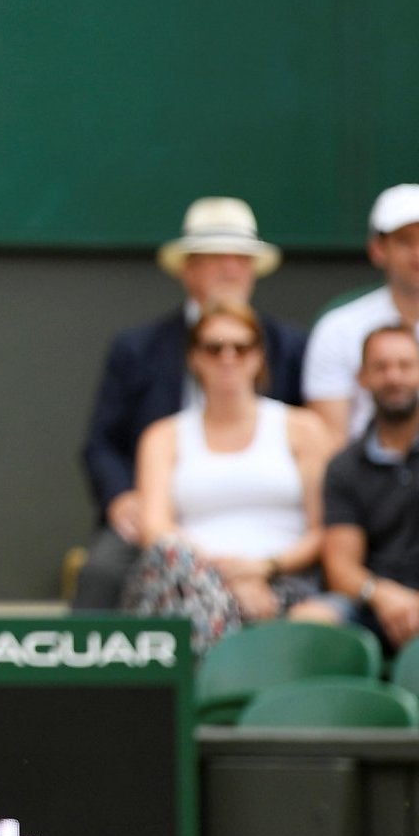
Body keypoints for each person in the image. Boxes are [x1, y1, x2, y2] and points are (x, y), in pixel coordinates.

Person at [73, 198, 306, 610]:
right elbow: (101, 443)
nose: (230, 269)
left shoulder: (290, 346)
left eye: (241, 258)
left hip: (263, 513)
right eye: (216, 257)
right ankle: (92, 675)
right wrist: (123, 497)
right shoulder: (137, 348)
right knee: (101, 573)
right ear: (187, 268)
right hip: (160, 511)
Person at [121, 302, 330, 652]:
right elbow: (154, 528)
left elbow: (324, 529)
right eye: (213, 347)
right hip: (185, 578)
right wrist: (222, 578)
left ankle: (205, 689)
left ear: (259, 355)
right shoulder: (163, 436)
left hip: (280, 578)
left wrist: (261, 568)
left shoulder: (303, 429)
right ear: (194, 357)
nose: (228, 357)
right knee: (170, 556)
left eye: (241, 347)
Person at [302, 325, 419, 651]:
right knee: (309, 618)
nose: (394, 377)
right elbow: (341, 567)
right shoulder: (344, 465)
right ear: (362, 378)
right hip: (376, 604)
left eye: (405, 365)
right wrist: (381, 594)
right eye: (382, 367)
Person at [303, 185, 419, 446]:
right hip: (365, 483)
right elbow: (330, 444)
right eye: (405, 240)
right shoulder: (338, 328)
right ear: (377, 249)